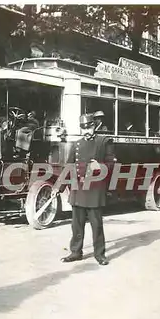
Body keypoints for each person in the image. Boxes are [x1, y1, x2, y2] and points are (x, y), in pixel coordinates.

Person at [55, 114, 115, 266]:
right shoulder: (76, 144)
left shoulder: (104, 142)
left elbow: (112, 164)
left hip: (94, 190)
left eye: (89, 127)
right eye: (84, 128)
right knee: (76, 224)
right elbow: (68, 167)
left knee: (96, 225)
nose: (86, 130)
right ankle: (76, 252)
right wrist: (58, 187)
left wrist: (100, 167)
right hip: (78, 189)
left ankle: (100, 254)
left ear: (95, 126)